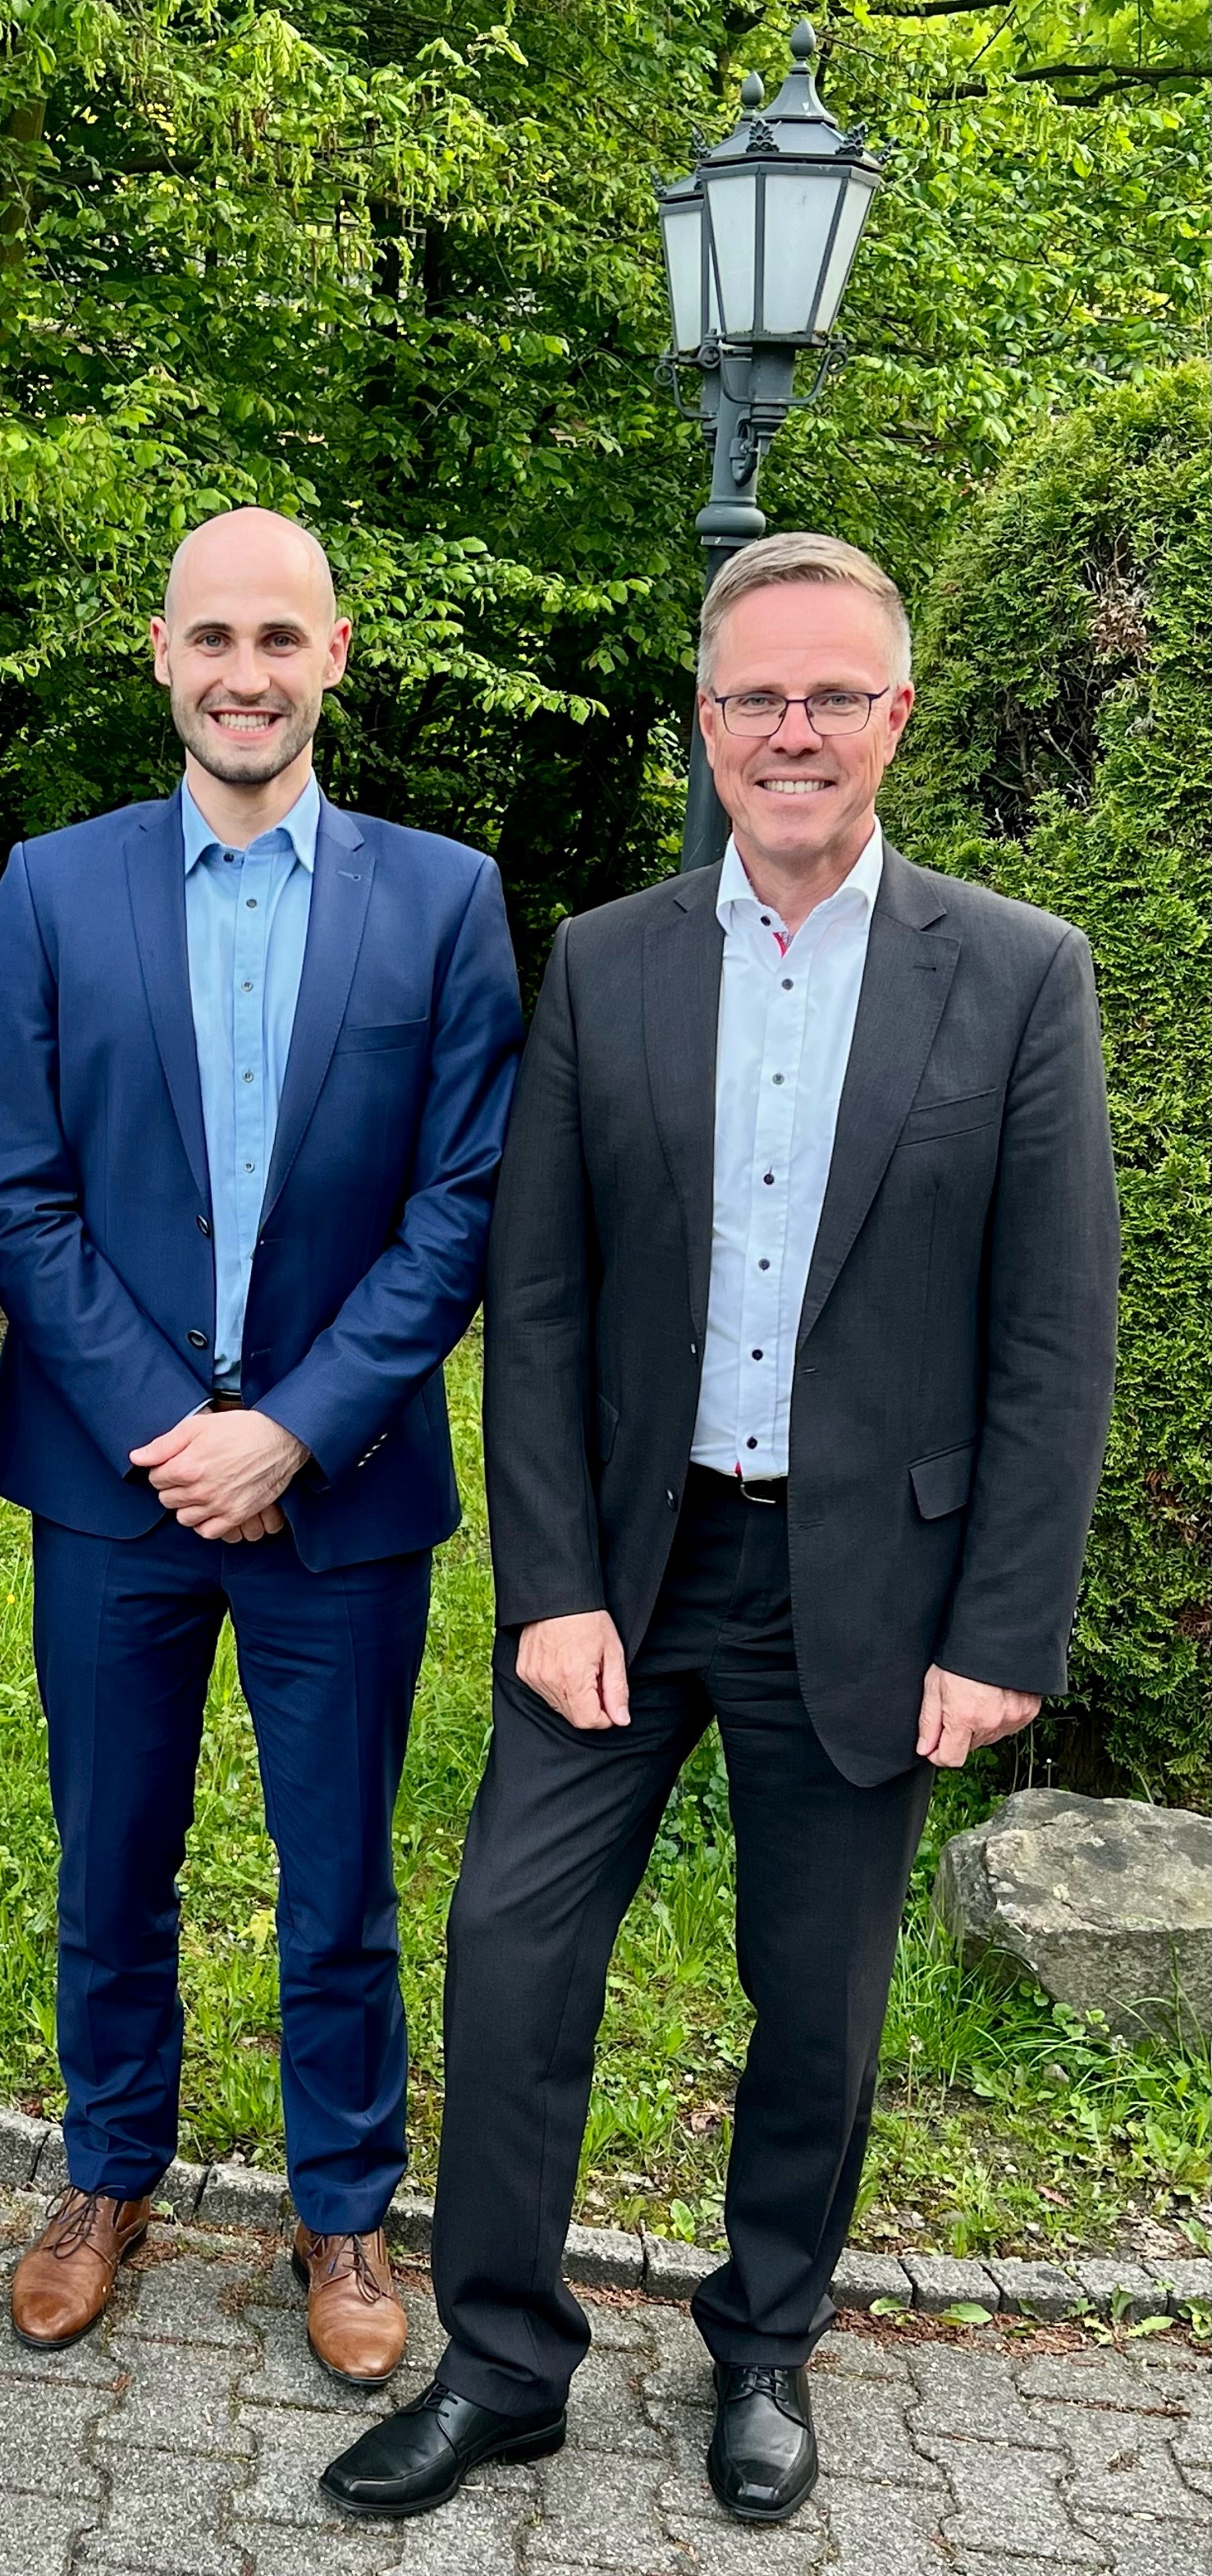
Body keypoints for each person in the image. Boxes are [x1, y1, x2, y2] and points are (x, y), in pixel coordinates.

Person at [322, 532, 1120, 2522]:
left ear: (891, 722)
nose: (791, 729)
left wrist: (1001, 1627)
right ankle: (504, 2361)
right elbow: (545, 1297)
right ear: (703, 720)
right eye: (755, 694)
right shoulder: (604, 959)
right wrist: (551, 1586)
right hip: (630, 1569)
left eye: (830, 695)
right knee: (510, 1959)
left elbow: (1052, 1330)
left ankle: (763, 2344)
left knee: (816, 2000)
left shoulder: (1014, 973)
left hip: (872, 1587)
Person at [0, 506, 522, 2384]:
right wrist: (168, 1428)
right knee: (107, 1855)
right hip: (110, 1492)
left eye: (279, 639)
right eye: (212, 637)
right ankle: (104, 2173)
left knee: (338, 1877)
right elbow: (16, 1192)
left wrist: (284, 1429)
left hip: (338, 1494)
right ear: (159, 653)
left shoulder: (439, 899)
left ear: (335, 657)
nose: (244, 673)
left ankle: (343, 2212)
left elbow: (458, 1203)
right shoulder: (53, 887)